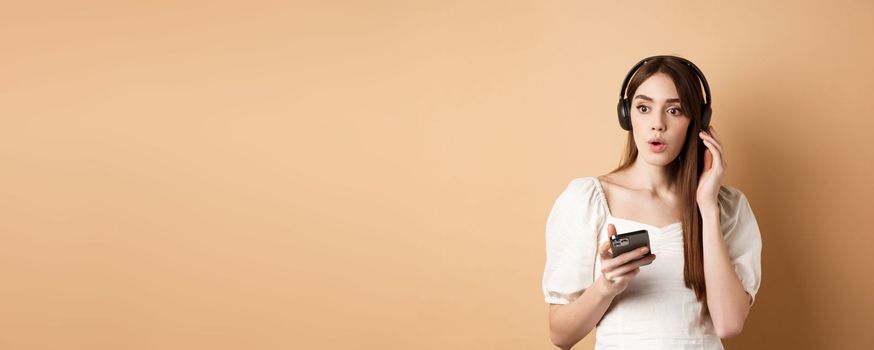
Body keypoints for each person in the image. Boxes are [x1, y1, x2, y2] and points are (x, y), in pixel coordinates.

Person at [541, 55, 762, 350]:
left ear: (697, 122)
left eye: (674, 110)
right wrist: (607, 286)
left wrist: (707, 208)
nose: (657, 124)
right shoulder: (587, 200)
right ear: (626, 115)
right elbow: (561, 335)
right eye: (643, 108)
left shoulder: (727, 207)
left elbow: (728, 323)